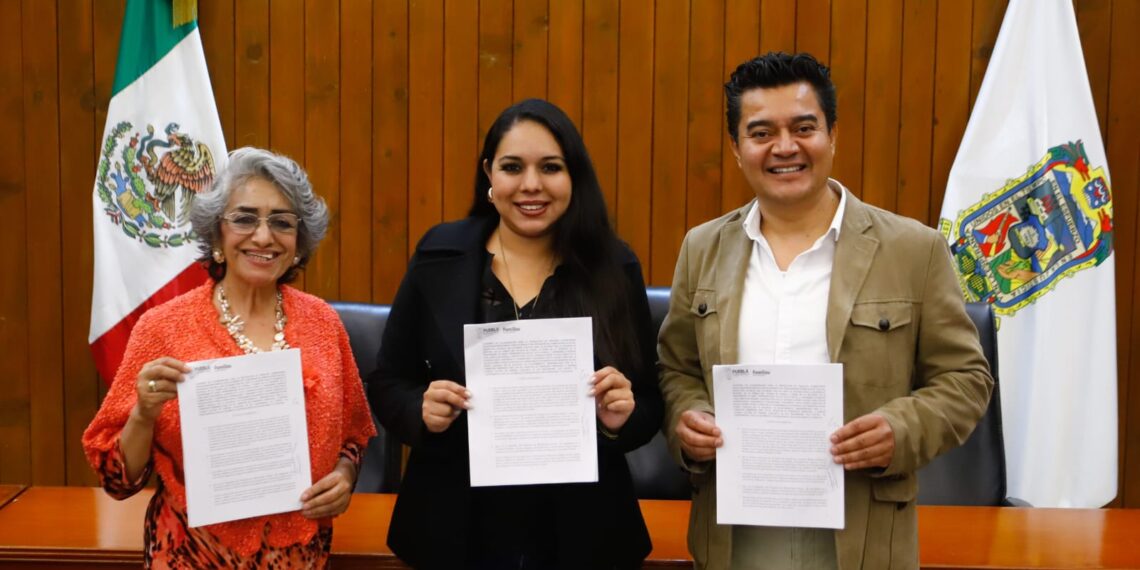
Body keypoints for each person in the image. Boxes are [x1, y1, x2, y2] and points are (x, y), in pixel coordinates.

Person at [657, 52, 994, 569]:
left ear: (832, 134)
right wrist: (688, 416)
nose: (785, 147)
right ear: (736, 147)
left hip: (859, 535)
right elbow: (676, 368)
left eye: (804, 127)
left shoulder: (912, 249)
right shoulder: (701, 248)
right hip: (735, 534)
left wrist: (900, 430)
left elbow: (966, 378)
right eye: (761, 132)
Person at [370, 98, 664, 569]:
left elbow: (649, 401)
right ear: (489, 174)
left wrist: (621, 417)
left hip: (581, 530)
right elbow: (387, 382)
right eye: (512, 167)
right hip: (454, 525)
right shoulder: (439, 256)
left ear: (574, 177)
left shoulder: (614, 265)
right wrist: (420, 409)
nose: (531, 185)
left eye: (550, 167)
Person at [82, 147, 376, 568]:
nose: (263, 236)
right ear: (217, 236)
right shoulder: (161, 327)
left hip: (300, 557)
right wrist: (144, 413)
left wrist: (345, 477)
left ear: (298, 241)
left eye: (281, 222)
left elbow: (353, 437)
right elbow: (117, 482)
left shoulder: (323, 324)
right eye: (244, 218)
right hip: (192, 554)